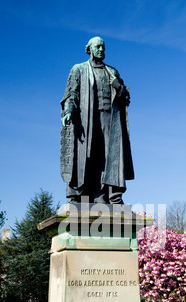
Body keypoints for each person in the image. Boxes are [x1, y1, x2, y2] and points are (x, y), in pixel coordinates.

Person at [60, 37, 134, 204]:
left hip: (110, 120)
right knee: (86, 155)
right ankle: (79, 195)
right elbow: (71, 95)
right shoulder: (78, 69)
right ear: (89, 49)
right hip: (87, 119)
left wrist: (117, 86)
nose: (101, 49)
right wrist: (68, 112)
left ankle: (104, 195)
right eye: (97, 47)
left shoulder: (112, 71)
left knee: (108, 157)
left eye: (103, 47)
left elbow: (126, 98)